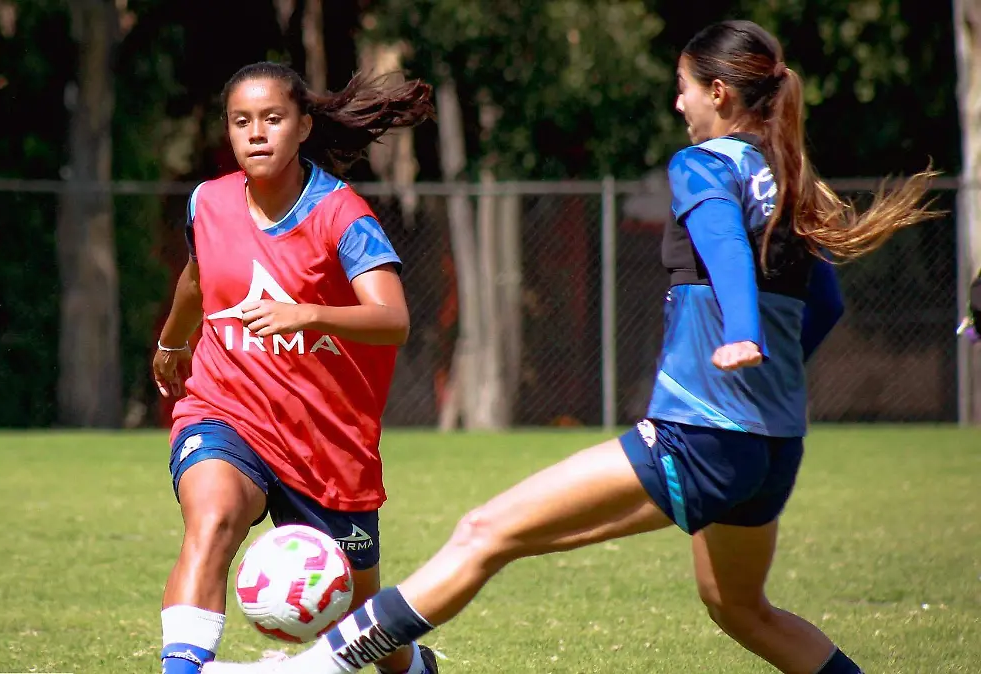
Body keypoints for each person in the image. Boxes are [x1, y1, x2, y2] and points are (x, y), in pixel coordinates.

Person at [204, 20, 942, 674]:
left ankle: (307, 671)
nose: (678, 104)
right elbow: (829, 302)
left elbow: (720, 246)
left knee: (485, 533)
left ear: (718, 92)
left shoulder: (704, 166)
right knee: (740, 610)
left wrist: (743, 334)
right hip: (772, 446)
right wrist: (766, 369)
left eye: (682, 89)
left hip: (701, 435)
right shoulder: (788, 177)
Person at [151, 62, 436, 674]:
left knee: (364, 633)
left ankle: (413, 666)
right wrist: (174, 343)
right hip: (227, 409)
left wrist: (307, 314)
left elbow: (393, 319)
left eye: (273, 119)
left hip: (327, 444)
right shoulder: (209, 201)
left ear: (303, 126)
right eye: (241, 121)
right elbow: (199, 277)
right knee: (213, 516)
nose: (256, 134)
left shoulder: (342, 216)